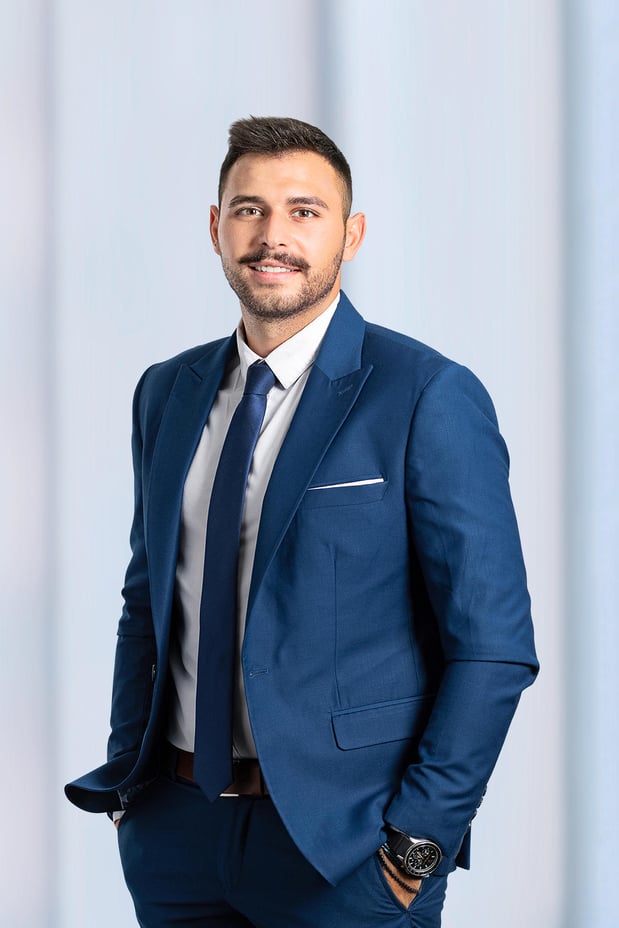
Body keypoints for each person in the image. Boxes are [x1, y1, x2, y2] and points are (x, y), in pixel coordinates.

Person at [65, 116, 538, 928]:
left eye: (304, 211)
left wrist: (416, 844)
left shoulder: (423, 393)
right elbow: (148, 601)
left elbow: (492, 647)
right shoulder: (166, 391)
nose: (272, 236)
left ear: (350, 235)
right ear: (215, 227)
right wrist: (129, 792)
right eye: (248, 209)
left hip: (344, 853)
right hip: (175, 838)